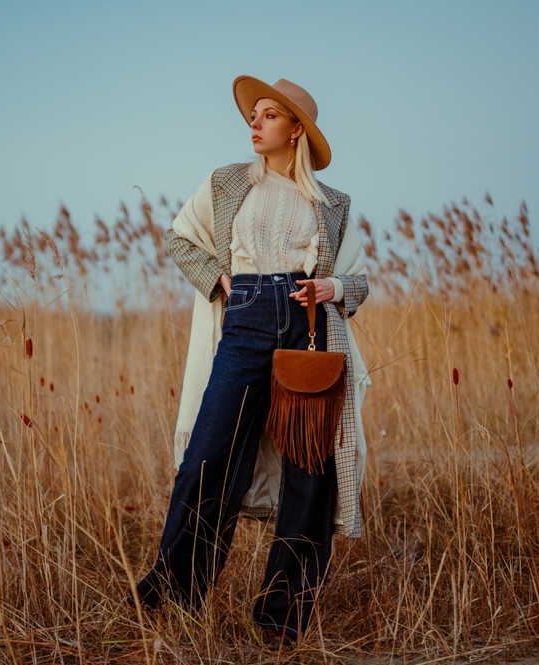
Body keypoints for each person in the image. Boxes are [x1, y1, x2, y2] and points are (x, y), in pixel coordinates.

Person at [129, 76, 371, 649]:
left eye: (268, 115)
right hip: (243, 322)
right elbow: (181, 238)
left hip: (309, 334)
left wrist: (330, 287)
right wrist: (220, 280)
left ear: (296, 131)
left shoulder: (332, 205)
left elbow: (359, 283)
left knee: (310, 476)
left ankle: (282, 621)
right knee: (207, 458)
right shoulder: (227, 183)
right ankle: (171, 597)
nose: (254, 123)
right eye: (253, 114)